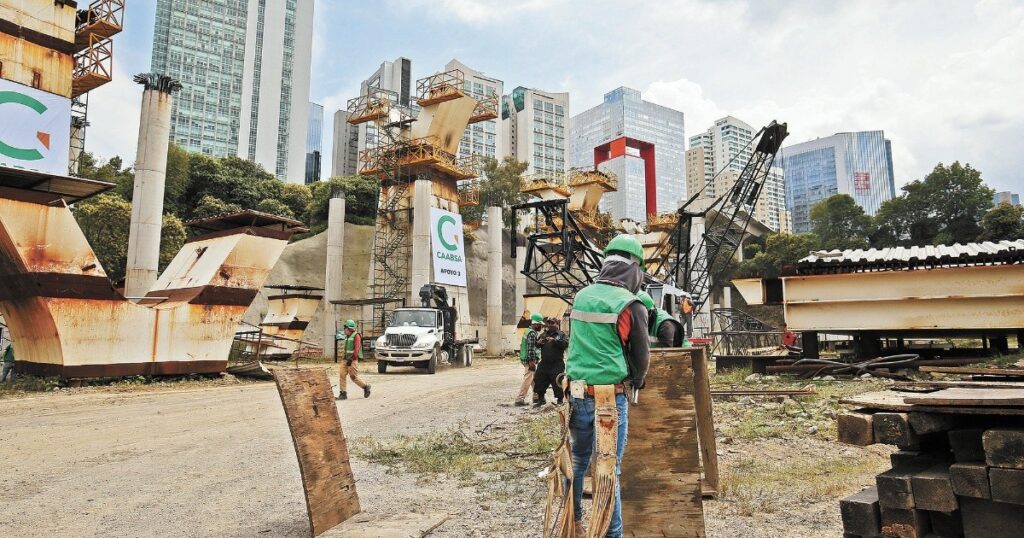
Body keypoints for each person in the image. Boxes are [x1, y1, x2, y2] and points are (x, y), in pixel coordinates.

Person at [565, 234, 650, 538]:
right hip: (609, 400)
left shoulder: (581, 296)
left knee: (576, 460)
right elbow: (641, 360)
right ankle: (612, 535)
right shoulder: (632, 304)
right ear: (634, 269)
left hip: (575, 394)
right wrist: (637, 382)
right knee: (608, 470)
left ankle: (573, 524)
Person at [533, 317, 568, 406]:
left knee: (557, 382)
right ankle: (541, 399)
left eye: (552, 323)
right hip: (544, 363)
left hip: (557, 363)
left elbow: (565, 344)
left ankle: (560, 400)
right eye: (548, 323)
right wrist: (539, 343)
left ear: (557, 324)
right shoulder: (544, 334)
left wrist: (555, 340)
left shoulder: (561, 334)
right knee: (539, 379)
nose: (550, 325)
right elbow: (536, 344)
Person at [336, 320, 371, 400]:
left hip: (352, 360)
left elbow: (357, 349)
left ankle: (365, 387)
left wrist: (351, 359)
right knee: (342, 375)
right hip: (345, 360)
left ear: (349, 329)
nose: (344, 330)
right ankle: (343, 393)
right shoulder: (347, 336)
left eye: (345, 328)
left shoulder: (356, 336)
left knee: (353, 377)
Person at [515, 313, 544, 406]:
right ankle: (520, 399)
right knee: (528, 379)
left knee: (534, 379)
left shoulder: (528, 331)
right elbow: (530, 348)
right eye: (540, 325)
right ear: (535, 324)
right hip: (529, 360)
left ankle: (537, 397)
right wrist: (531, 361)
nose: (541, 327)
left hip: (527, 358)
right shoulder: (532, 333)